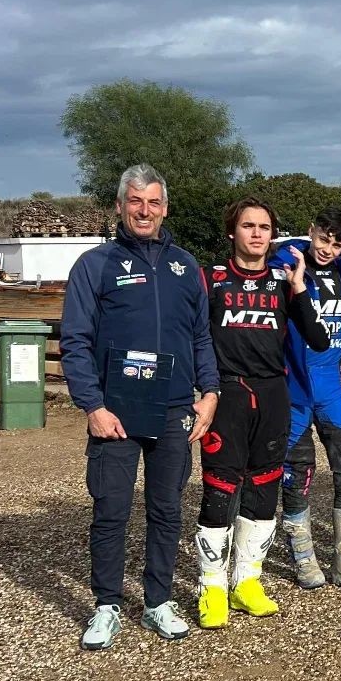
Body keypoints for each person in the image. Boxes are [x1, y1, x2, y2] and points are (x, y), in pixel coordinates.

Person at [61, 163, 220, 650]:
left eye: (153, 202)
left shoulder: (184, 266)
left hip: (173, 410)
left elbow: (199, 336)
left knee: (166, 508)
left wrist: (209, 394)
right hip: (116, 411)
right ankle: (106, 604)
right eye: (135, 201)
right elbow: (75, 340)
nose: (144, 210)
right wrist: (92, 405)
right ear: (119, 206)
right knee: (110, 509)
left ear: (165, 207)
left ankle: (157, 601)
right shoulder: (95, 265)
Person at [195, 197, 331, 628]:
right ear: (232, 231)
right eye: (248, 226)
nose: (257, 234)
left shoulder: (283, 281)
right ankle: (211, 587)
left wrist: (300, 287)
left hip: (273, 393)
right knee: (219, 490)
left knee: (264, 489)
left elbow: (319, 339)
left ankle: (247, 581)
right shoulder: (211, 279)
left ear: (273, 234)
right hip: (228, 394)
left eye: (265, 227)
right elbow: (191, 337)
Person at [269, 207, 341, 592]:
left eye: (337, 242)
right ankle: (303, 557)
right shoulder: (289, 257)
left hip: (332, 383)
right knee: (300, 471)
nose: (328, 248)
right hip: (294, 383)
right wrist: (293, 250)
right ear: (310, 230)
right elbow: (274, 255)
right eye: (323, 238)